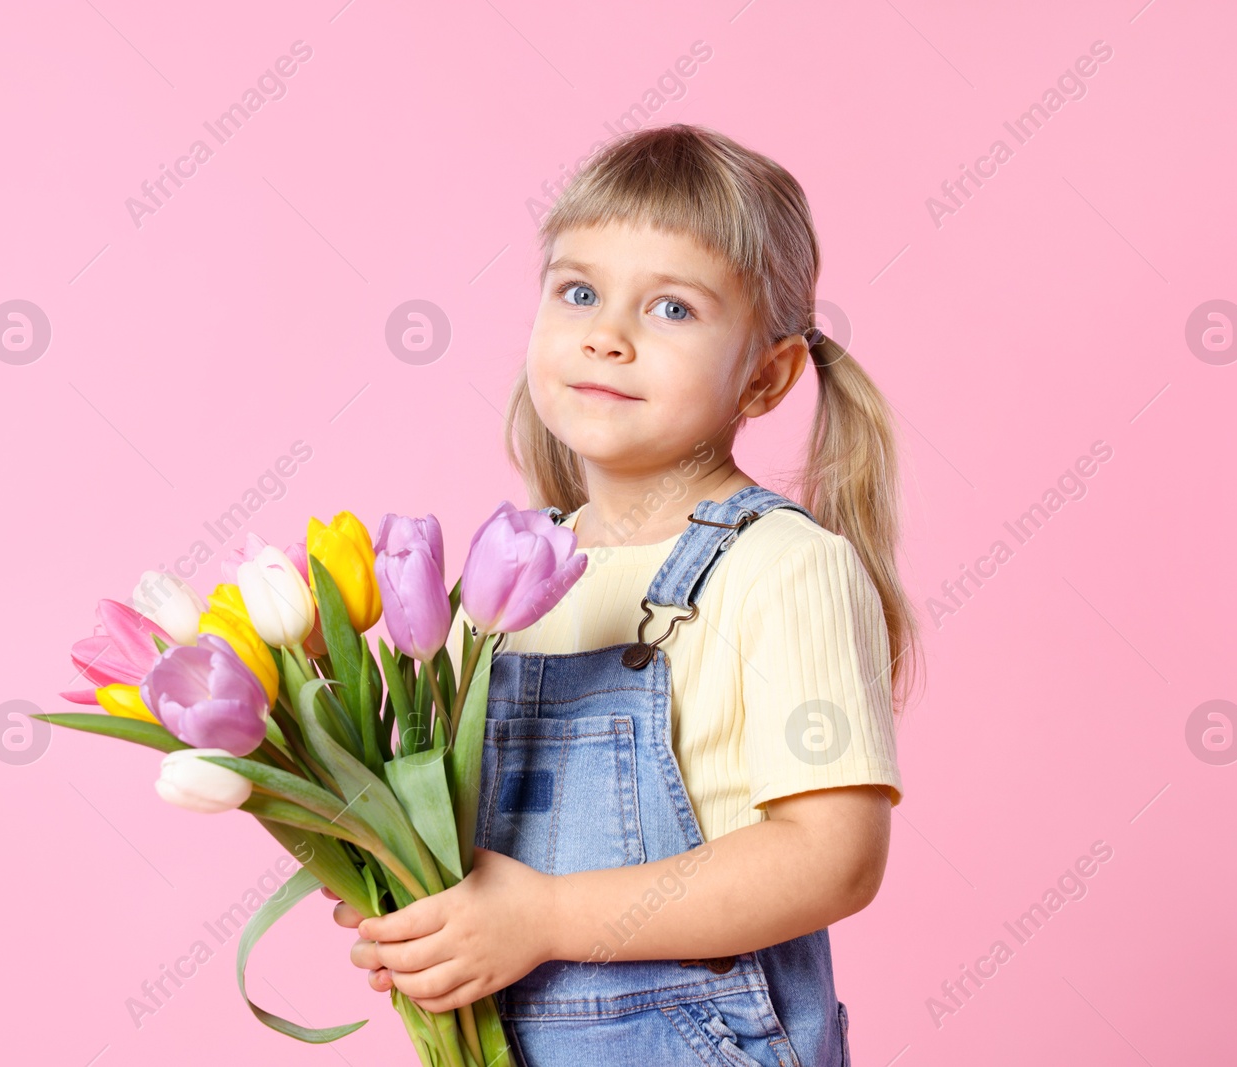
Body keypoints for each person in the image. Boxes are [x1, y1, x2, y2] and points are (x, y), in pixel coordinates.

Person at [325, 122, 922, 1066]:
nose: (606, 335)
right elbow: (492, 871)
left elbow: (833, 855)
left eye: (673, 309)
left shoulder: (780, 565)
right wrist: (419, 898)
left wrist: (546, 917)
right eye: (579, 291)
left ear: (765, 376)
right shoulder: (510, 578)